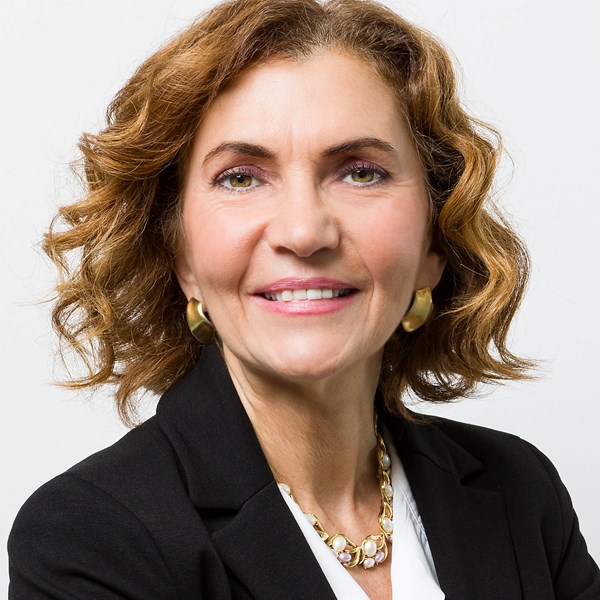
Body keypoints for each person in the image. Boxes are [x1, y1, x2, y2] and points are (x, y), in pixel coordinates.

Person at [7, 0, 600, 598]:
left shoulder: (521, 494)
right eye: (241, 177)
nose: (303, 231)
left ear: (434, 239)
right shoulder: (91, 539)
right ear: (180, 255)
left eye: (360, 172)